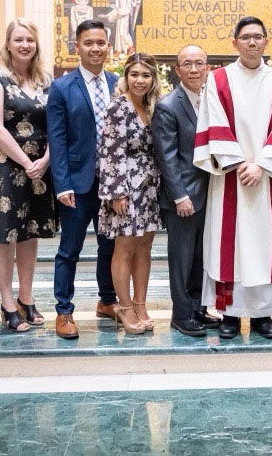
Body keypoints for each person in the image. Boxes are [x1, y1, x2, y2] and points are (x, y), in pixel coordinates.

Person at [193, 16, 272, 340]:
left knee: (266, 246)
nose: (252, 42)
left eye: (257, 36)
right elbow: (214, 120)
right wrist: (239, 162)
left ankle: (263, 315)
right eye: (246, 37)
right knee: (230, 247)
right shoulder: (219, 79)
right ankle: (229, 313)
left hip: (267, 181)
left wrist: (262, 165)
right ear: (235, 42)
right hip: (231, 179)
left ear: (267, 41)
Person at [0, 18, 56, 333]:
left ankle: (26, 298)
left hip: (39, 169)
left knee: (30, 235)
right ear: (8, 43)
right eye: (18, 39)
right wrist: (26, 162)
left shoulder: (46, 80)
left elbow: (56, 124)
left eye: (30, 40)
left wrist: (45, 160)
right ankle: (7, 304)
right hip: (4, 168)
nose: (24, 45)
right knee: (4, 236)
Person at [47, 19, 119, 340]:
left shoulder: (118, 83)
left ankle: (107, 301)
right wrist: (62, 184)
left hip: (112, 185)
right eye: (88, 43)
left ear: (108, 46)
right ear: (77, 47)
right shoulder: (62, 87)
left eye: (101, 43)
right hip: (77, 184)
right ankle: (64, 311)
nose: (95, 48)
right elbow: (57, 139)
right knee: (69, 249)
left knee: (110, 247)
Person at [151, 45, 222, 337]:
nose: (194, 69)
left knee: (200, 257)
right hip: (183, 197)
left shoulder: (212, 100)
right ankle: (181, 315)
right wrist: (179, 196)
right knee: (181, 259)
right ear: (177, 70)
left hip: (210, 192)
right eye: (187, 64)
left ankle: (197, 308)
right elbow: (166, 157)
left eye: (199, 63)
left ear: (208, 68)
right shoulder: (168, 106)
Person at [97, 53, 163, 335]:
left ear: (153, 79)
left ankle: (140, 304)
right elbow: (110, 152)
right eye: (134, 74)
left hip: (149, 186)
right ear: (126, 77)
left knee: (145, 247)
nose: (140, 80)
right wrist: (117, 192)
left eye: (145, 75)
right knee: (124, 248)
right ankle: (123, 307)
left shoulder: (151, 105)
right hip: (125, 187)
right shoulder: (118, 107)